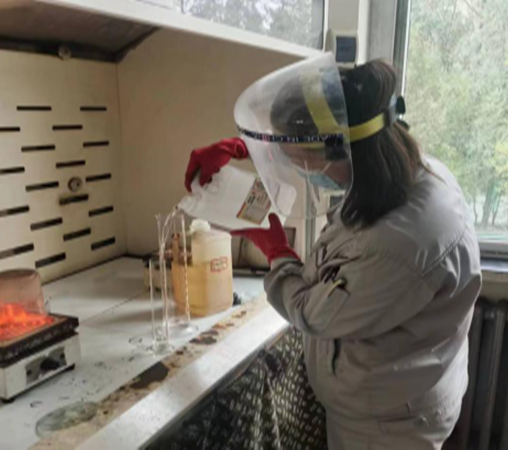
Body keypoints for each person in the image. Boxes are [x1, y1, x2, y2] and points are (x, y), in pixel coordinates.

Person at [183, 56, 481, 450]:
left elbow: (312, 312)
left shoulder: (399, 244)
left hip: (390, 428)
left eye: (298, 160)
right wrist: (246, 149)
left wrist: (276, 250)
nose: (300, 170)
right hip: (390, 395)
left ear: (337, 148)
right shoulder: (395, 167)